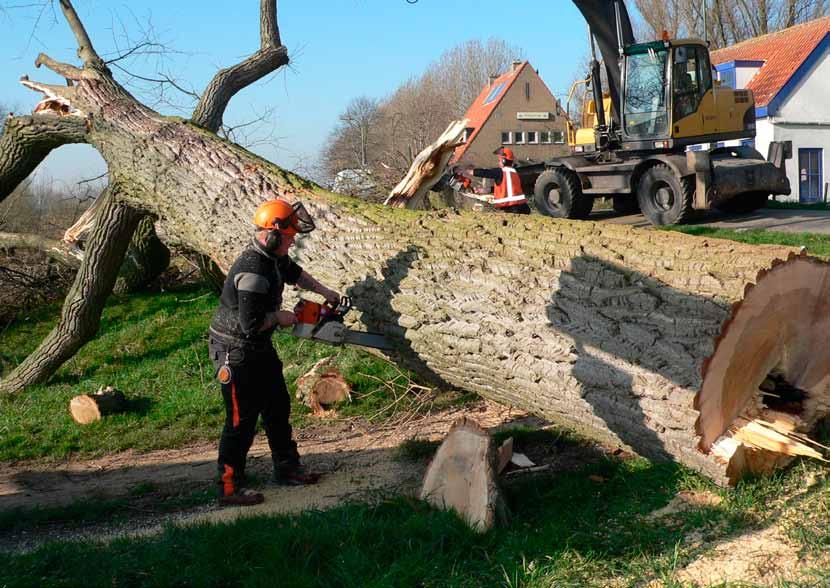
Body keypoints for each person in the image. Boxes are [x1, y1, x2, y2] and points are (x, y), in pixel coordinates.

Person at [208, 198, 340, 506]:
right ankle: (229, 487)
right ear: (273, 232)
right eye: (290, 237)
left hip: (257, 346)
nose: (293, 242)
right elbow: (251, 323)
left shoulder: (273, 255)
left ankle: (287, 468)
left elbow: (295, 273)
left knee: (277, 406)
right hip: (235, 349)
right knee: (241, 420)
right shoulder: (252, 270)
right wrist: (281, 317)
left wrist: (325, 292)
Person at [462, 147, 531, 214]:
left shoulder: (501, 172)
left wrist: (466, 171)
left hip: (511, 209)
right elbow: (506, 189)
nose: (498, 163)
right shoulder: (514, 173)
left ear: (504, 161)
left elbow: (485, 173)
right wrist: (486, 190)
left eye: (499, 161)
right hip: (522, 207)